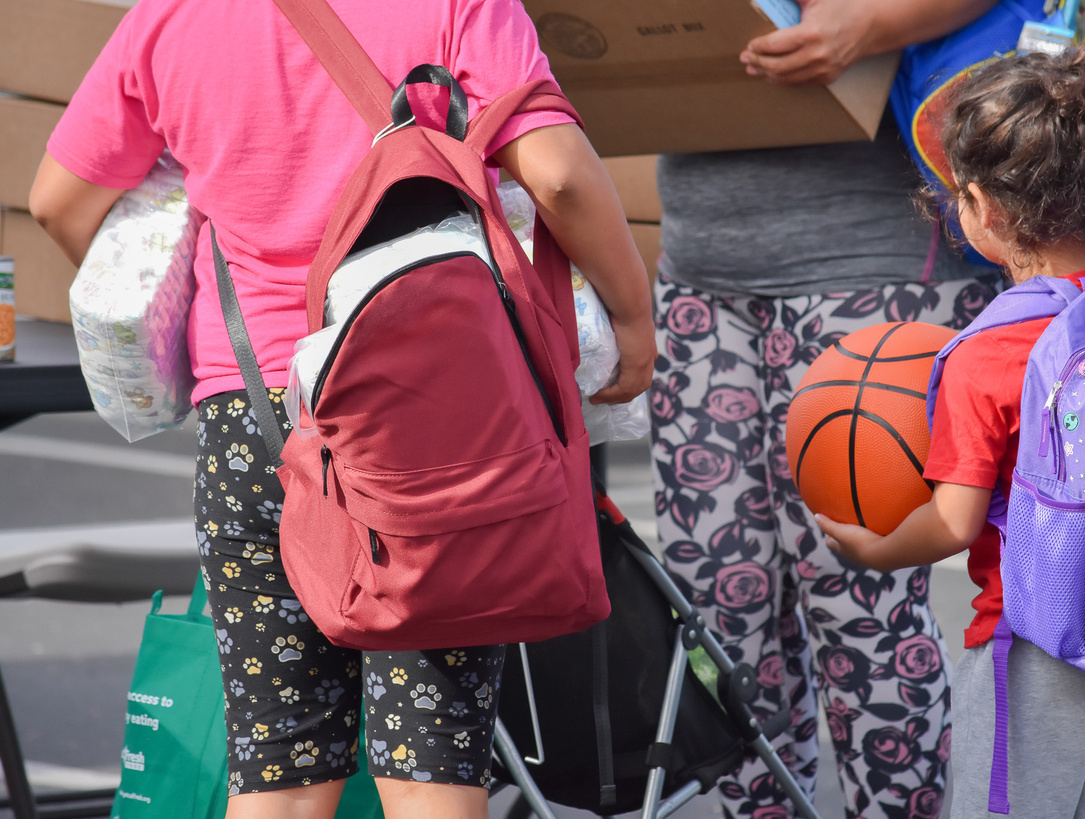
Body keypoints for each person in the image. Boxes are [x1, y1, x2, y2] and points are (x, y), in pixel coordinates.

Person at [28, 1, 655, 817]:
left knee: (278, 772)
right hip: (427, 420)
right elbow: (559, 172)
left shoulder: (172, 14)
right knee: (432, 763)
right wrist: (635, 317)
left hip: (250, 414)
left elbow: (58, 200)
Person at [818, 44, 1085, 818]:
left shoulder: (989, 353)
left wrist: (873, 550)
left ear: (983, 209)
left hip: (1037, 650)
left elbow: (953, 522)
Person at [650, 1, 1000, 815]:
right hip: (702, 261)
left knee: (858, 597)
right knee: (719, 602)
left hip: (874, 256)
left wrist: (867, 27)